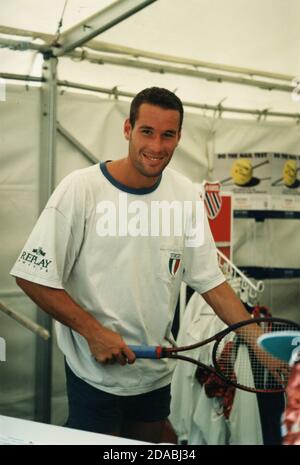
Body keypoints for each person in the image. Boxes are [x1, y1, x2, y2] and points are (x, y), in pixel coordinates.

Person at [11, 87, 256, 443]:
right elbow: (32, 277)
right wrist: (93, 332)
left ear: (179, 137)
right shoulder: (81, 189)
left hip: (155, 373)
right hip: (95, 374)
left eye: (167, 135)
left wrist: (259, 343)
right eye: (147, 132)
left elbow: (210, 281)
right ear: (128, 129)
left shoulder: (186, 194)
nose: (157, 146)